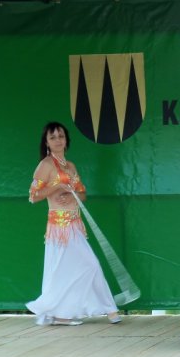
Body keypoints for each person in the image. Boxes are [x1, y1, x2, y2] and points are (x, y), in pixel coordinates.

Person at [26, 121, 121, 326]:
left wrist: (71, 195)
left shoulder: (70, 166)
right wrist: (57, 187)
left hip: (75, 225)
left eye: (61, 136)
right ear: (46, 142)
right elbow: (33, 196)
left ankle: (67, 314)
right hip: (58, 228)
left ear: (66, 139)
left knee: (77, 268)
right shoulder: (45, 165)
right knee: (82, 266)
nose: (58, 140)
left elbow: (82, 194)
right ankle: (109, 310)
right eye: (53, 137)